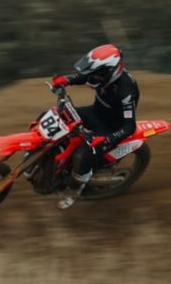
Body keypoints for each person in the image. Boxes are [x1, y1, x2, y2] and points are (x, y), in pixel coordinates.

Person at [52, 44, 140, 209]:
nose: (91, 77)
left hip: (111, 128)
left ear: (110, 72)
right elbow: (85, 76)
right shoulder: (102, 75)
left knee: (84, 155)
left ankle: (73, 191)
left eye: (96, 74)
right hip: (95, 113)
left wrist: (107, 139)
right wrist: (67, 80)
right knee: (57, 116)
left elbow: (130, 126)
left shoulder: (125, 90)